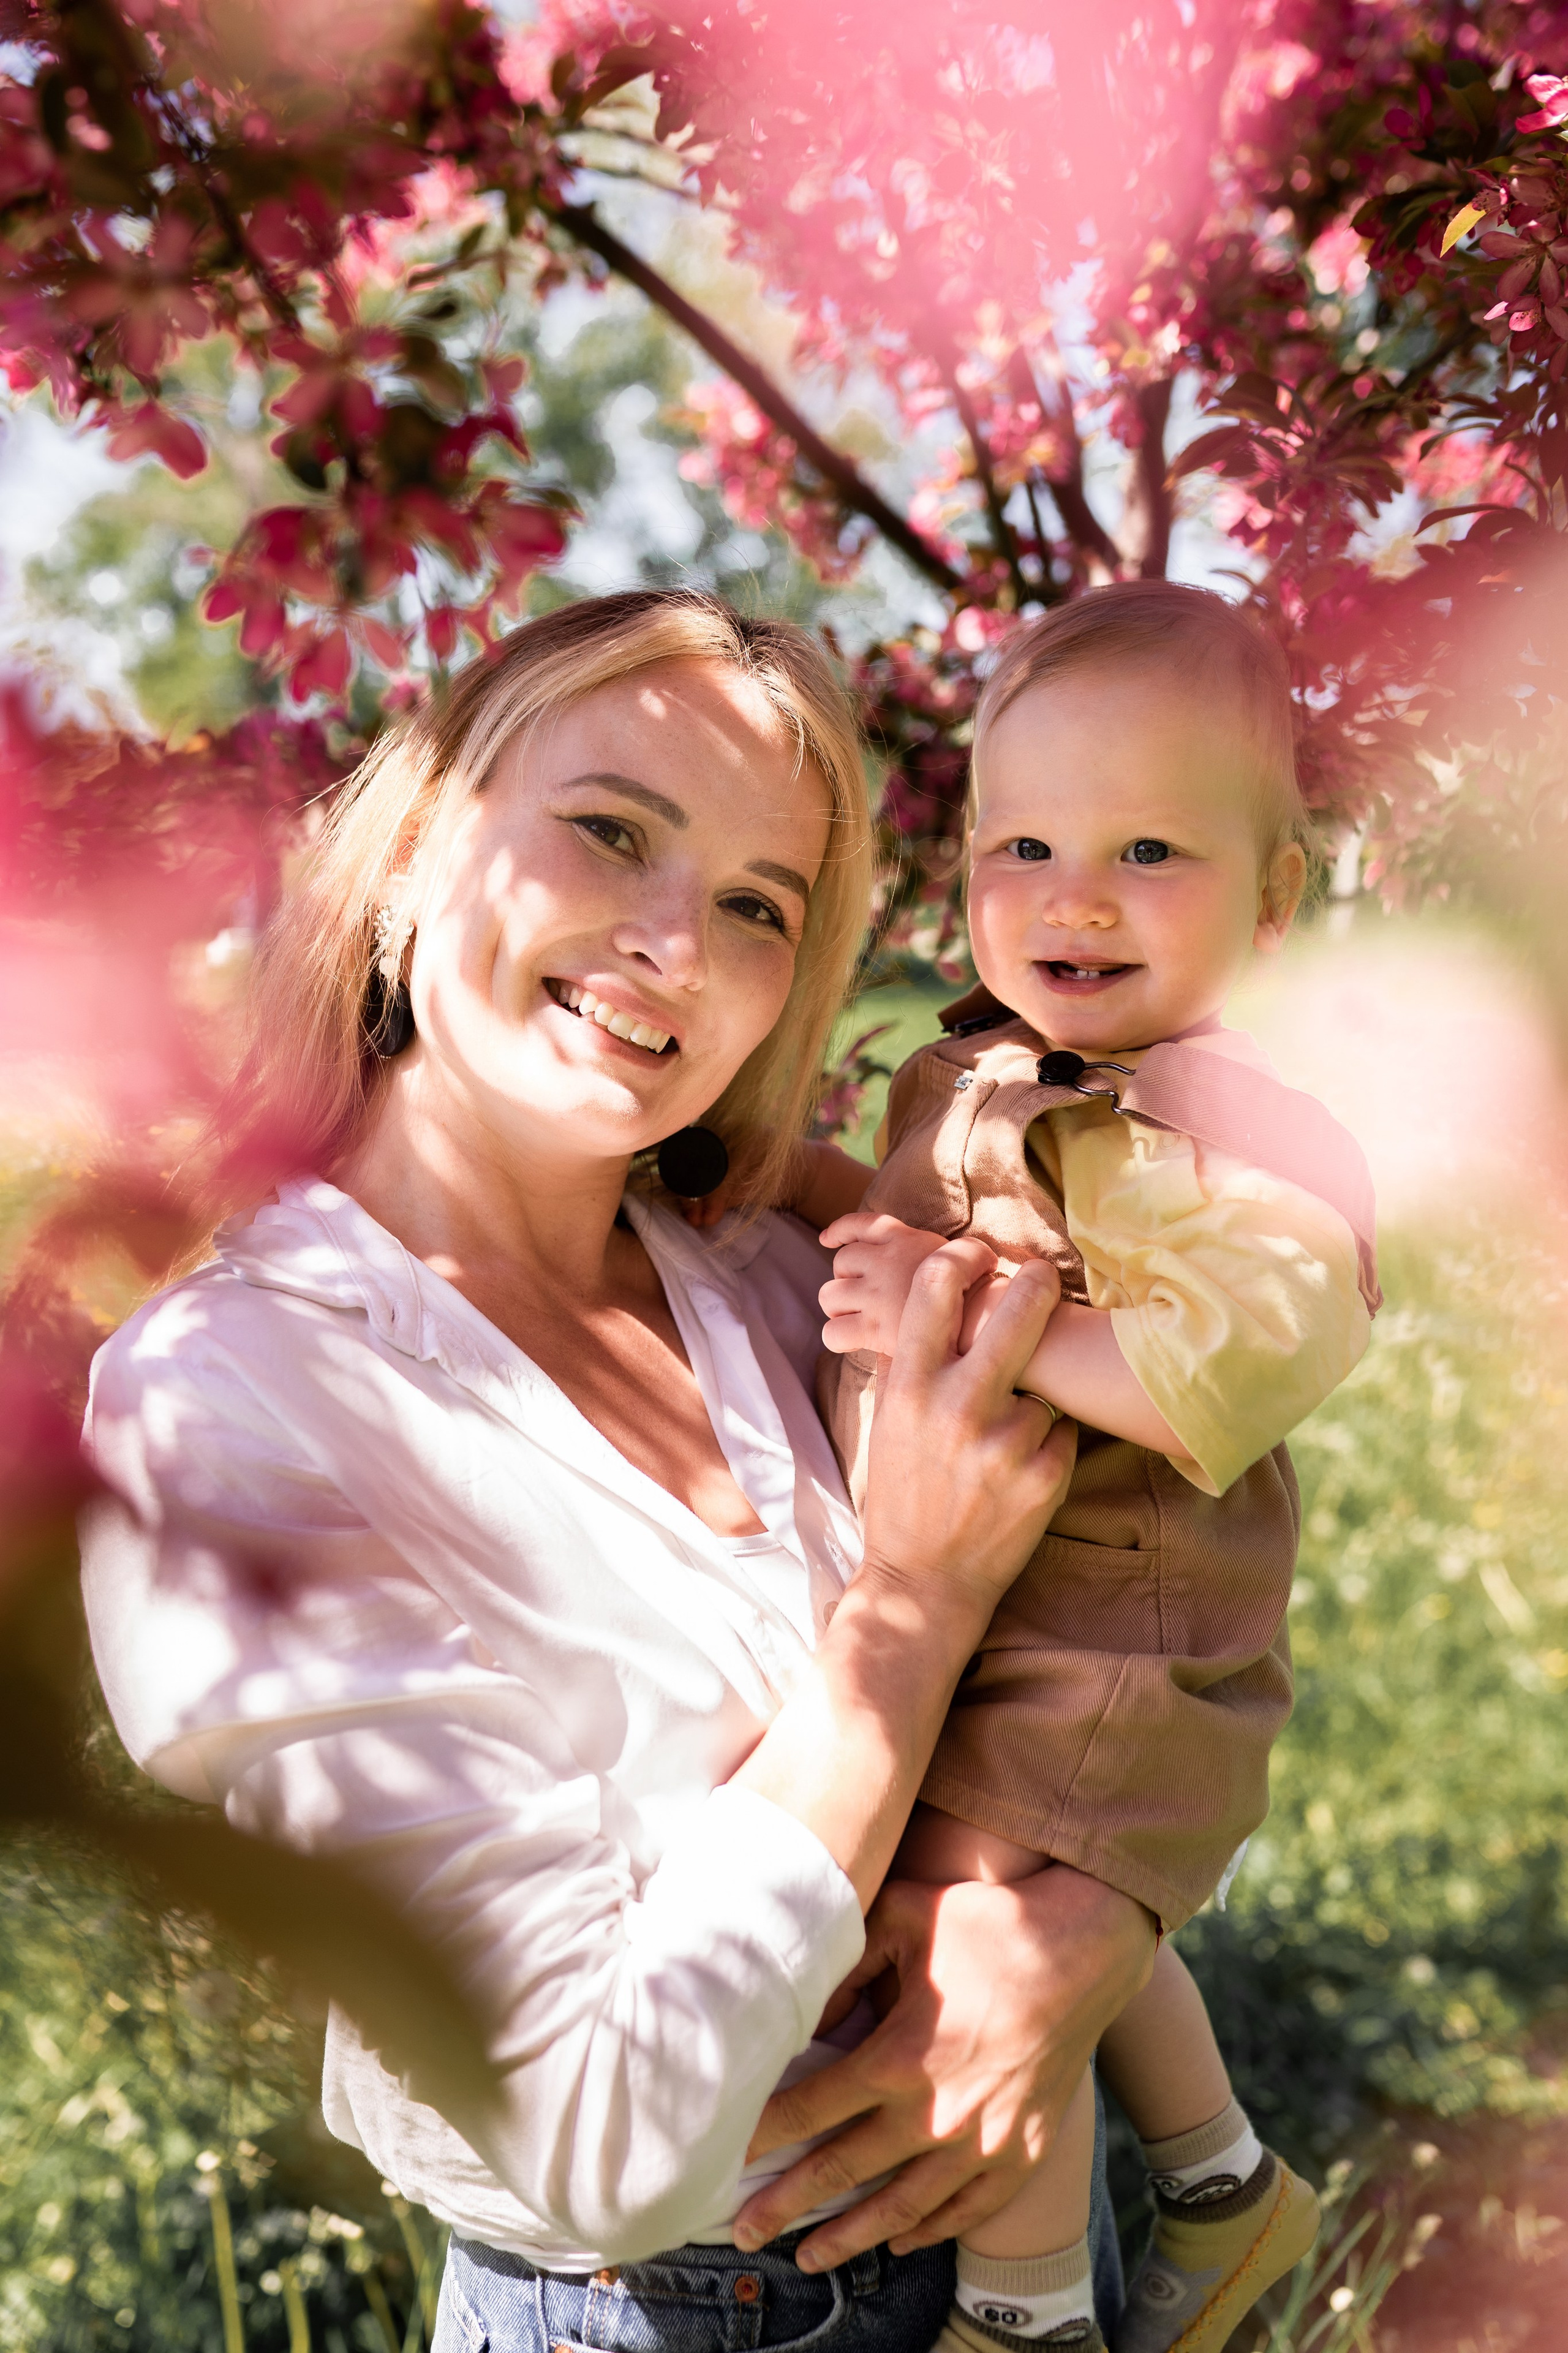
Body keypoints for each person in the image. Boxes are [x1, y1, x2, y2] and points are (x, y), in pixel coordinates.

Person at [77, 590, 1155, 2353]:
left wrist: (1075, 1941)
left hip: (1034, 2250)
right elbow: (596, 2138)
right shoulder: (232, 1405)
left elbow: (1153, 1640)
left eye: (755, 906)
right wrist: (911, 1607)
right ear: (425, 833)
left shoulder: (786, 1283)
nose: (672, 942)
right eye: (610, 831)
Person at [781, 585, 1381, 2353]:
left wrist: (1002, 1324)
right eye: (1023, 842)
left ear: (1274, 898)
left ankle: (1028, 2311)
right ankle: (1220, 2185)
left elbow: (1244, 1362)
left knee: (989, 1929)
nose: (1073, 894)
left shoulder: (1231, 1128)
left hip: (1118, 1623)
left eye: (1147, 849)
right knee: (1040, 1906)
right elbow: (893, 1219)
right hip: (1005, 1607)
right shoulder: (977, 1067)